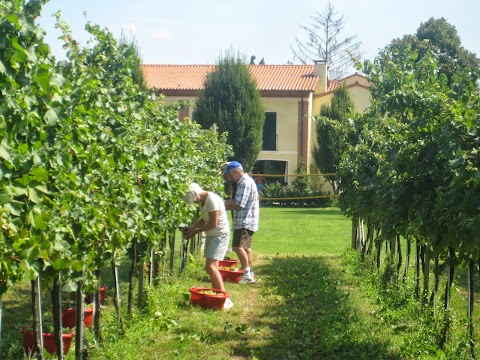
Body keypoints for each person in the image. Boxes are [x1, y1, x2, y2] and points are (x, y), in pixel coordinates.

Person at [182, 182, 233, 309]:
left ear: (195, 194)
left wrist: (195, 232)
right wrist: (191, 227)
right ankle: (219, 296)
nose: (194, 203)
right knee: (212, 267)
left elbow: (213, 223)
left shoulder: (212, 200)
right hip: (213, 235)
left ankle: (224, 299)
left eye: (193, 200)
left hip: (219, 235)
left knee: (211, 267)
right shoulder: (204, 201)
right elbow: (204, 219)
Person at [223, 161, 259, 284]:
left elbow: (238, 204)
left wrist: (221, 205)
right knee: (246, 247)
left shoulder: (244, 183)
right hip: (249, 220)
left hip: (244, 221)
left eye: (230, 174)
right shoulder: (245, 182)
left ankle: (247, 274)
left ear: (236, 171)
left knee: (237, 247)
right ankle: (249, 272)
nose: (229, 177)